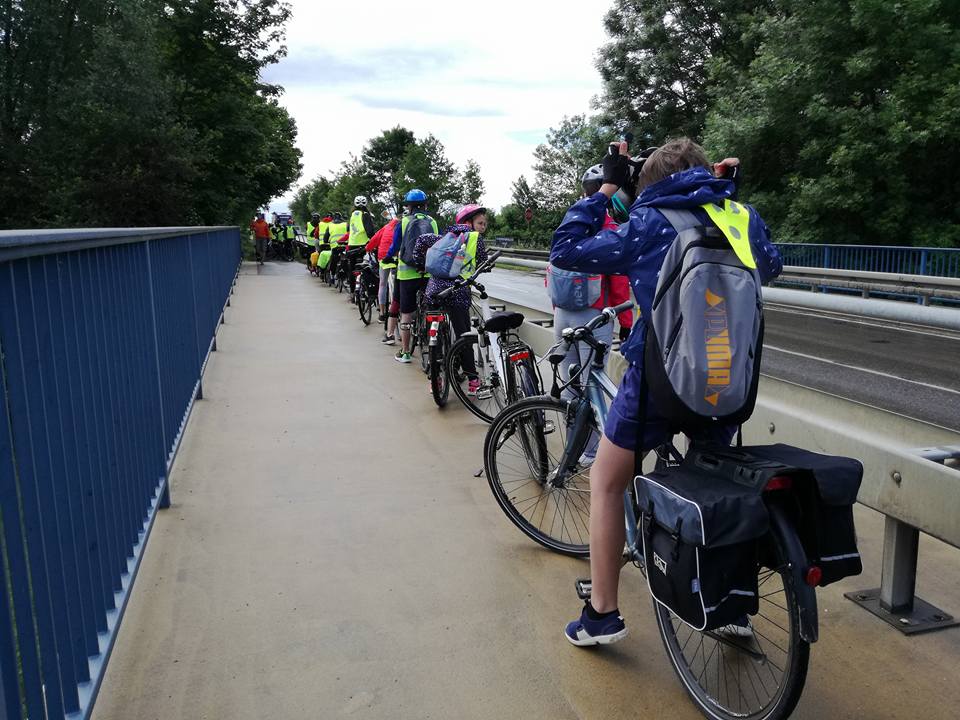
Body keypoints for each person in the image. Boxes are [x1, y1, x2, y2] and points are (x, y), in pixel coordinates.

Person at [550, 138, 783, 646]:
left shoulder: (648, 222)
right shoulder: (740, 217)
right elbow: (771, 265)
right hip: (724, 379)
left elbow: (566, 250)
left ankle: (602, 615)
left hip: (657, 380)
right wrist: (724, 199)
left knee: (608, 482)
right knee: (722, 486)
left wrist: (607, 188)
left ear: (647, 184)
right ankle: (731, 605)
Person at [546, 164, 634, 466]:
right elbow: (620, 285)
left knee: (571, 386)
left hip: (563, 316)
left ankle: (572, 447)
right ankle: (593, 451)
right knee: (591, 385)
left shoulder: (570, 226)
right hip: (594, 317)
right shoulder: (609, 229)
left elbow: (551, 276)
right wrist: (625, 324)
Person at [412, 204, 490, 393]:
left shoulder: (444, 236)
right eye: (480, 223)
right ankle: (473, 380)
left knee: (434, 333)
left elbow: (421, 241)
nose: (483, 227)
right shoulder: (474, 238)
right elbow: (482, 262)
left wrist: (421, 264)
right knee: (464, 334)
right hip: (458, 290)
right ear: (468, 223)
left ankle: (436, 380)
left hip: (435, 290)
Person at [383, 189, 438, 363]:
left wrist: (387, 256)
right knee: (431, 310)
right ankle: (434, 348)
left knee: (406, 312)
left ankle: (406, 352)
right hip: (428, 273)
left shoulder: (404, 222)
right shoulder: (433, 222)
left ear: (409, 206)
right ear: (425, 205)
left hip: (407, 275)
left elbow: (396, 246)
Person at [367, 211, 401, 344]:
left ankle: (382, 312)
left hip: (384, 258)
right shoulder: (405, 227)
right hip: (398, 259)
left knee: (383, 284)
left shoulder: (385, 228)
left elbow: (373, 242)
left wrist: (368, 248)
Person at [346, 196, 377, 297]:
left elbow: (348, 229)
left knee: (352, 268)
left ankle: (352, 291)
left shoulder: (352, 215)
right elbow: (370, 231)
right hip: (364, 245)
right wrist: (374, 241)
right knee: (368, 267)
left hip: (352, 245)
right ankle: (369, 290)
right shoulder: (365, 215)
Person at [325, 211, 350, 280]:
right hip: (345, 245)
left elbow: (325, 237)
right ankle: (347, 276)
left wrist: (326, 241)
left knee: (334, 260)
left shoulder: (330, 225)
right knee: (347, 260)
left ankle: (333, 275)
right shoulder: (346, 224)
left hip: (334, 246)